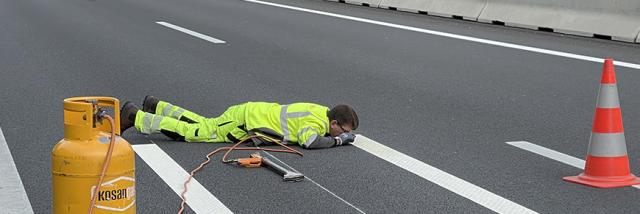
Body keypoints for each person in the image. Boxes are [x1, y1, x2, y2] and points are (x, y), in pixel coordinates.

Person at [119, 96, 358, 149]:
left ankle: (157, 106)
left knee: (206, 124)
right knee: (195, 132)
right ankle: (135, 116)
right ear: (334, 122)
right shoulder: (315, 124)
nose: (343, 133)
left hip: (247, 112)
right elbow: (310, 141)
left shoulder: (321, 111)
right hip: (243, 122)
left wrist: (338, 135)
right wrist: (338, 141)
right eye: (342, 129)